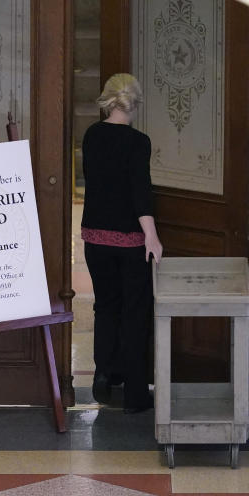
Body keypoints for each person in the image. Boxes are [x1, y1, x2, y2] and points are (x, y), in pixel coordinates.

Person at [81, 73, 163, 414]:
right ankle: (134, 394)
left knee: (106, 306)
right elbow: (138, 192)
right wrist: (152, 236)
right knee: (135, 313)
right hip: (130, 241)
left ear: (108, 99)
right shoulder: (138, 142)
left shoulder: (91, 136)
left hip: (94, 237)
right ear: (135, 103)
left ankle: (104, 375)